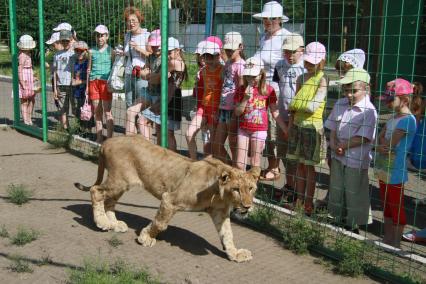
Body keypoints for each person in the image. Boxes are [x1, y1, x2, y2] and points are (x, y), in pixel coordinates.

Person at [325, 68, 377, 233]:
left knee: (354, 190)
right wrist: (333, 144)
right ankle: (336, 217)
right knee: (336, 186)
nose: (349, 94)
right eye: (346, 90)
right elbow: (332, 126)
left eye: (354, 91)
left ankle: (353, 224)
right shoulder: (340, 104)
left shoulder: (369, 111)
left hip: (356, 157)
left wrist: (343, 146)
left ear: (366, 88)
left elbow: (364, 137)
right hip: (338, 154)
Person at [375, 78, 418, 248]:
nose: (387, 102)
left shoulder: (407, 120)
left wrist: (379, 146)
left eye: (391, 99)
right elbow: (381, 141)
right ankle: (387, 239)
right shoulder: (394, 117)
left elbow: (387, 144)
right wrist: (381, 146)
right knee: (386, 203)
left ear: (405, 100)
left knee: (395, 204)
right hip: (383, 168)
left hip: (396, 171)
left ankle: (395, 243)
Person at [287, 42, 328, 215]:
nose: (309, 65)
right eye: (307, 62)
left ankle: (308, 203)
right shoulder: (300, 78)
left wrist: (297, 105)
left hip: (313, 127)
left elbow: (312, 107)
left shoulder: (323, 80)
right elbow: (294, 108)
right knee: (299, 166)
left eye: (313, 62)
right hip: (297, 126)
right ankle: (299, 200)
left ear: (322, 61)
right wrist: (290, 123)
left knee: (309, 167)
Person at [252, 1, 292, 181]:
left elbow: (289, 65)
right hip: (261, 89)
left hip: (276, 90)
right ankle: (271, 164)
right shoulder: (264, 37)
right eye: (265, 19)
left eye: (271, 19)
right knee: (264, 127)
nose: (267, 22)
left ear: (279, 20)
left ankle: (277, 168)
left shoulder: (286, 37)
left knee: (275, 129)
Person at [234, 57, 288, 171]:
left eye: (254, 76)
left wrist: (285, 129)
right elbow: (237, 112)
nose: (250, 79)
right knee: (239, 164)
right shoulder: (241, 90)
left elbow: (275, 111)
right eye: (247, 76)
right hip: (243, 129)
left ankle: (253, 187)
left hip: (259, 130)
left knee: (255, 162)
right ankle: (241, 186)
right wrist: (245, 99)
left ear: (261, 74)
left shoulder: (268, 90)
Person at [272, 33, 306, 202]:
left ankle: (300, 191)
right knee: (283, 151)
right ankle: (290, 185)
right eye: (286, 52)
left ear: (302, 50)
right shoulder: (279, 65)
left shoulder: (306, 68)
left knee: (297, 155)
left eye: (293, 52)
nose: (289, 55)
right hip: (282, 115)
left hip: (299, 119)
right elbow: (277, 87)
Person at [185, 41, 223, 160]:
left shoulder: (223, 70)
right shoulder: (202, 71)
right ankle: (194, 162)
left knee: (212, 144)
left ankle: (219, 167)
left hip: (216, 109)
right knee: (189, 133)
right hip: (203, 107)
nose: (208, 59)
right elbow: (201, 92)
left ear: (218, 56)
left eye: (211, 56)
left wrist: (218, 111)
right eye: (205, 56)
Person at [213, 31, 245, 165]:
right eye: (227, 49)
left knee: (233, 143)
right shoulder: (228, 63)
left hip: (233, 110)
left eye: (232, 49)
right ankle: (232, 168)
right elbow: (223, 82)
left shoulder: (242, 65)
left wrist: (237, 109)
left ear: (240, 47)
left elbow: (242, 89)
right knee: (217, 145)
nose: (229, 52)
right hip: (223, 108)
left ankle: (236, 170)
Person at [123, 6, 151, 134]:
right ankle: (131, 138)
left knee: (142, 107)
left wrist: (138, 48)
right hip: (129, 72)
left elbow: (152, 55)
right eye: (129, 20)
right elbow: (127, 53)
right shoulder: (127, 35)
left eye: (134, 20)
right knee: (129, 104)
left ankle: (143, 135)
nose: (131, 23)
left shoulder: (147, 35)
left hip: (142, 74)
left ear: (139, 20)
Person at [87, 25, 114, 143]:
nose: (99, 38)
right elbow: (89, 69)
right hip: (94, 82)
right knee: (97, 112)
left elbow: (114, 69)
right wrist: (87, 86)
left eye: (102, 35)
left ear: (107, 36)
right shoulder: (91, 51)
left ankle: (110, 139)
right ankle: (99, 138)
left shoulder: (111, 51)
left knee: (107, 111)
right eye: (97, 35)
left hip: (105, 83)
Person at [53, 30, 75, 130]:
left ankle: (77, 128)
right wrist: (55, 87)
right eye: (63, 41)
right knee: (63, 109)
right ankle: (66, 128)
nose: (65, 43)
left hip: (72, 85)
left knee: (75, 108)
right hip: (61, 85)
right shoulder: (57, 55)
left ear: (71, 40)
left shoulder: (74, 54)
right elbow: (54, 72)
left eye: (67, 41)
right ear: (60, 41)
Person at [17, 35, 37, 125]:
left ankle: (29, 118)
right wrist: (22, 82)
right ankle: (25, 120)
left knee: (32, 99)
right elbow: (20, 69)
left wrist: (33, 76)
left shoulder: (28, 54)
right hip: (25, 78)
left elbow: (29, 67)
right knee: (24, 100)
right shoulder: (22, 55)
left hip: (29, 76)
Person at [71, 41, 89, 128]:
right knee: (77, 111)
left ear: (86, 51)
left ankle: (86, 129)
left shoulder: (88, 64)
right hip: (76, 91)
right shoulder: (75, 63)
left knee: (86, 111)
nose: (79, 53)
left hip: (85, 91)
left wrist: (81, 82)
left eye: (81, 51)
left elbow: (90, 80)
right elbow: (73, 76)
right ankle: (78, 129)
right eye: (77, 51)